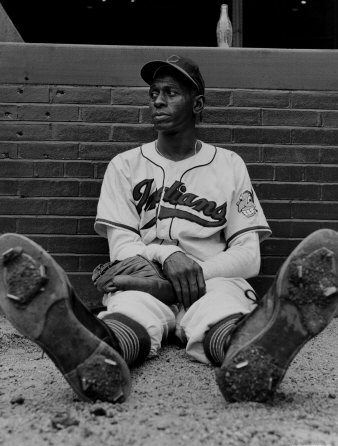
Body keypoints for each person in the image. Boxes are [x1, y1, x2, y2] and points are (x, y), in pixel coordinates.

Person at [0, 55, 337, 404]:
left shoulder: (229, 164)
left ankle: (254, 353)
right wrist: (167, 254)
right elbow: (121, 250)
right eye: (154, 92)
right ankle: (91, 351)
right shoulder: (125, 165)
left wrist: (188, 279)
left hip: (211, 282)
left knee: (220, 311)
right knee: (129, 313)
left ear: (198, 104)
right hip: (144, 280)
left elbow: (249, 256)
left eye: (171, 92)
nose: (158, 100)